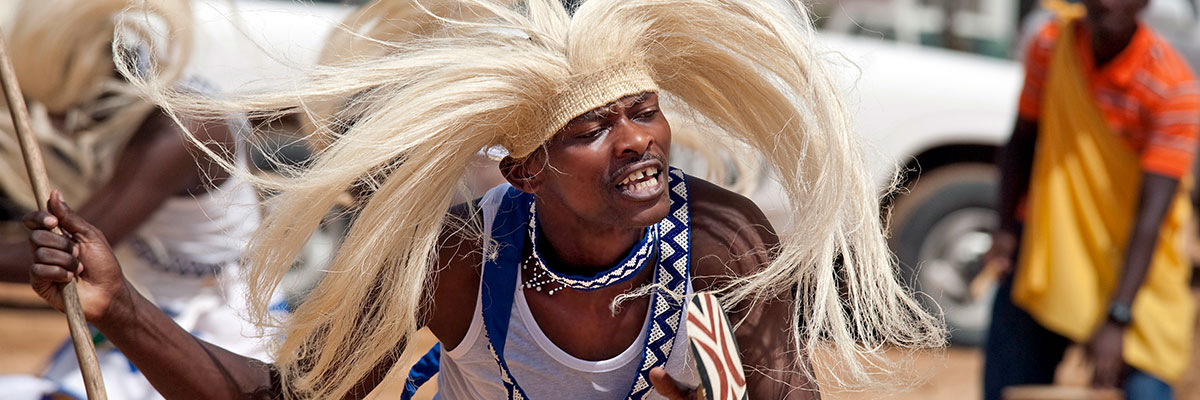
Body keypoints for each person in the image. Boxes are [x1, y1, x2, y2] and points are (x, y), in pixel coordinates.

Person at [24, 0, 945, 399]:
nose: (636, 140)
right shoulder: (455, 262)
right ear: (524, 174)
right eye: (591, 129)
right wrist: (122, 306)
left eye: (642, 111)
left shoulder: (724, 244)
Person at [0, 1, 275, 399]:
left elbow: (72, 252)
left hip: (207, 329)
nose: (59, 121)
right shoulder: (131, 114)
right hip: (148, 309)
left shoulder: (182, 128)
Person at [983, 0, 1199, 399]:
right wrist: (1004, 230)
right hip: (1050, 249)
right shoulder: (1051, 46)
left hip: (1136, 268)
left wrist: (1118, 318)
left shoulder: (1173, 87)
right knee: (1008, 383)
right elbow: (1021, 142)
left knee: (1145, 387)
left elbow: (1151, 216)